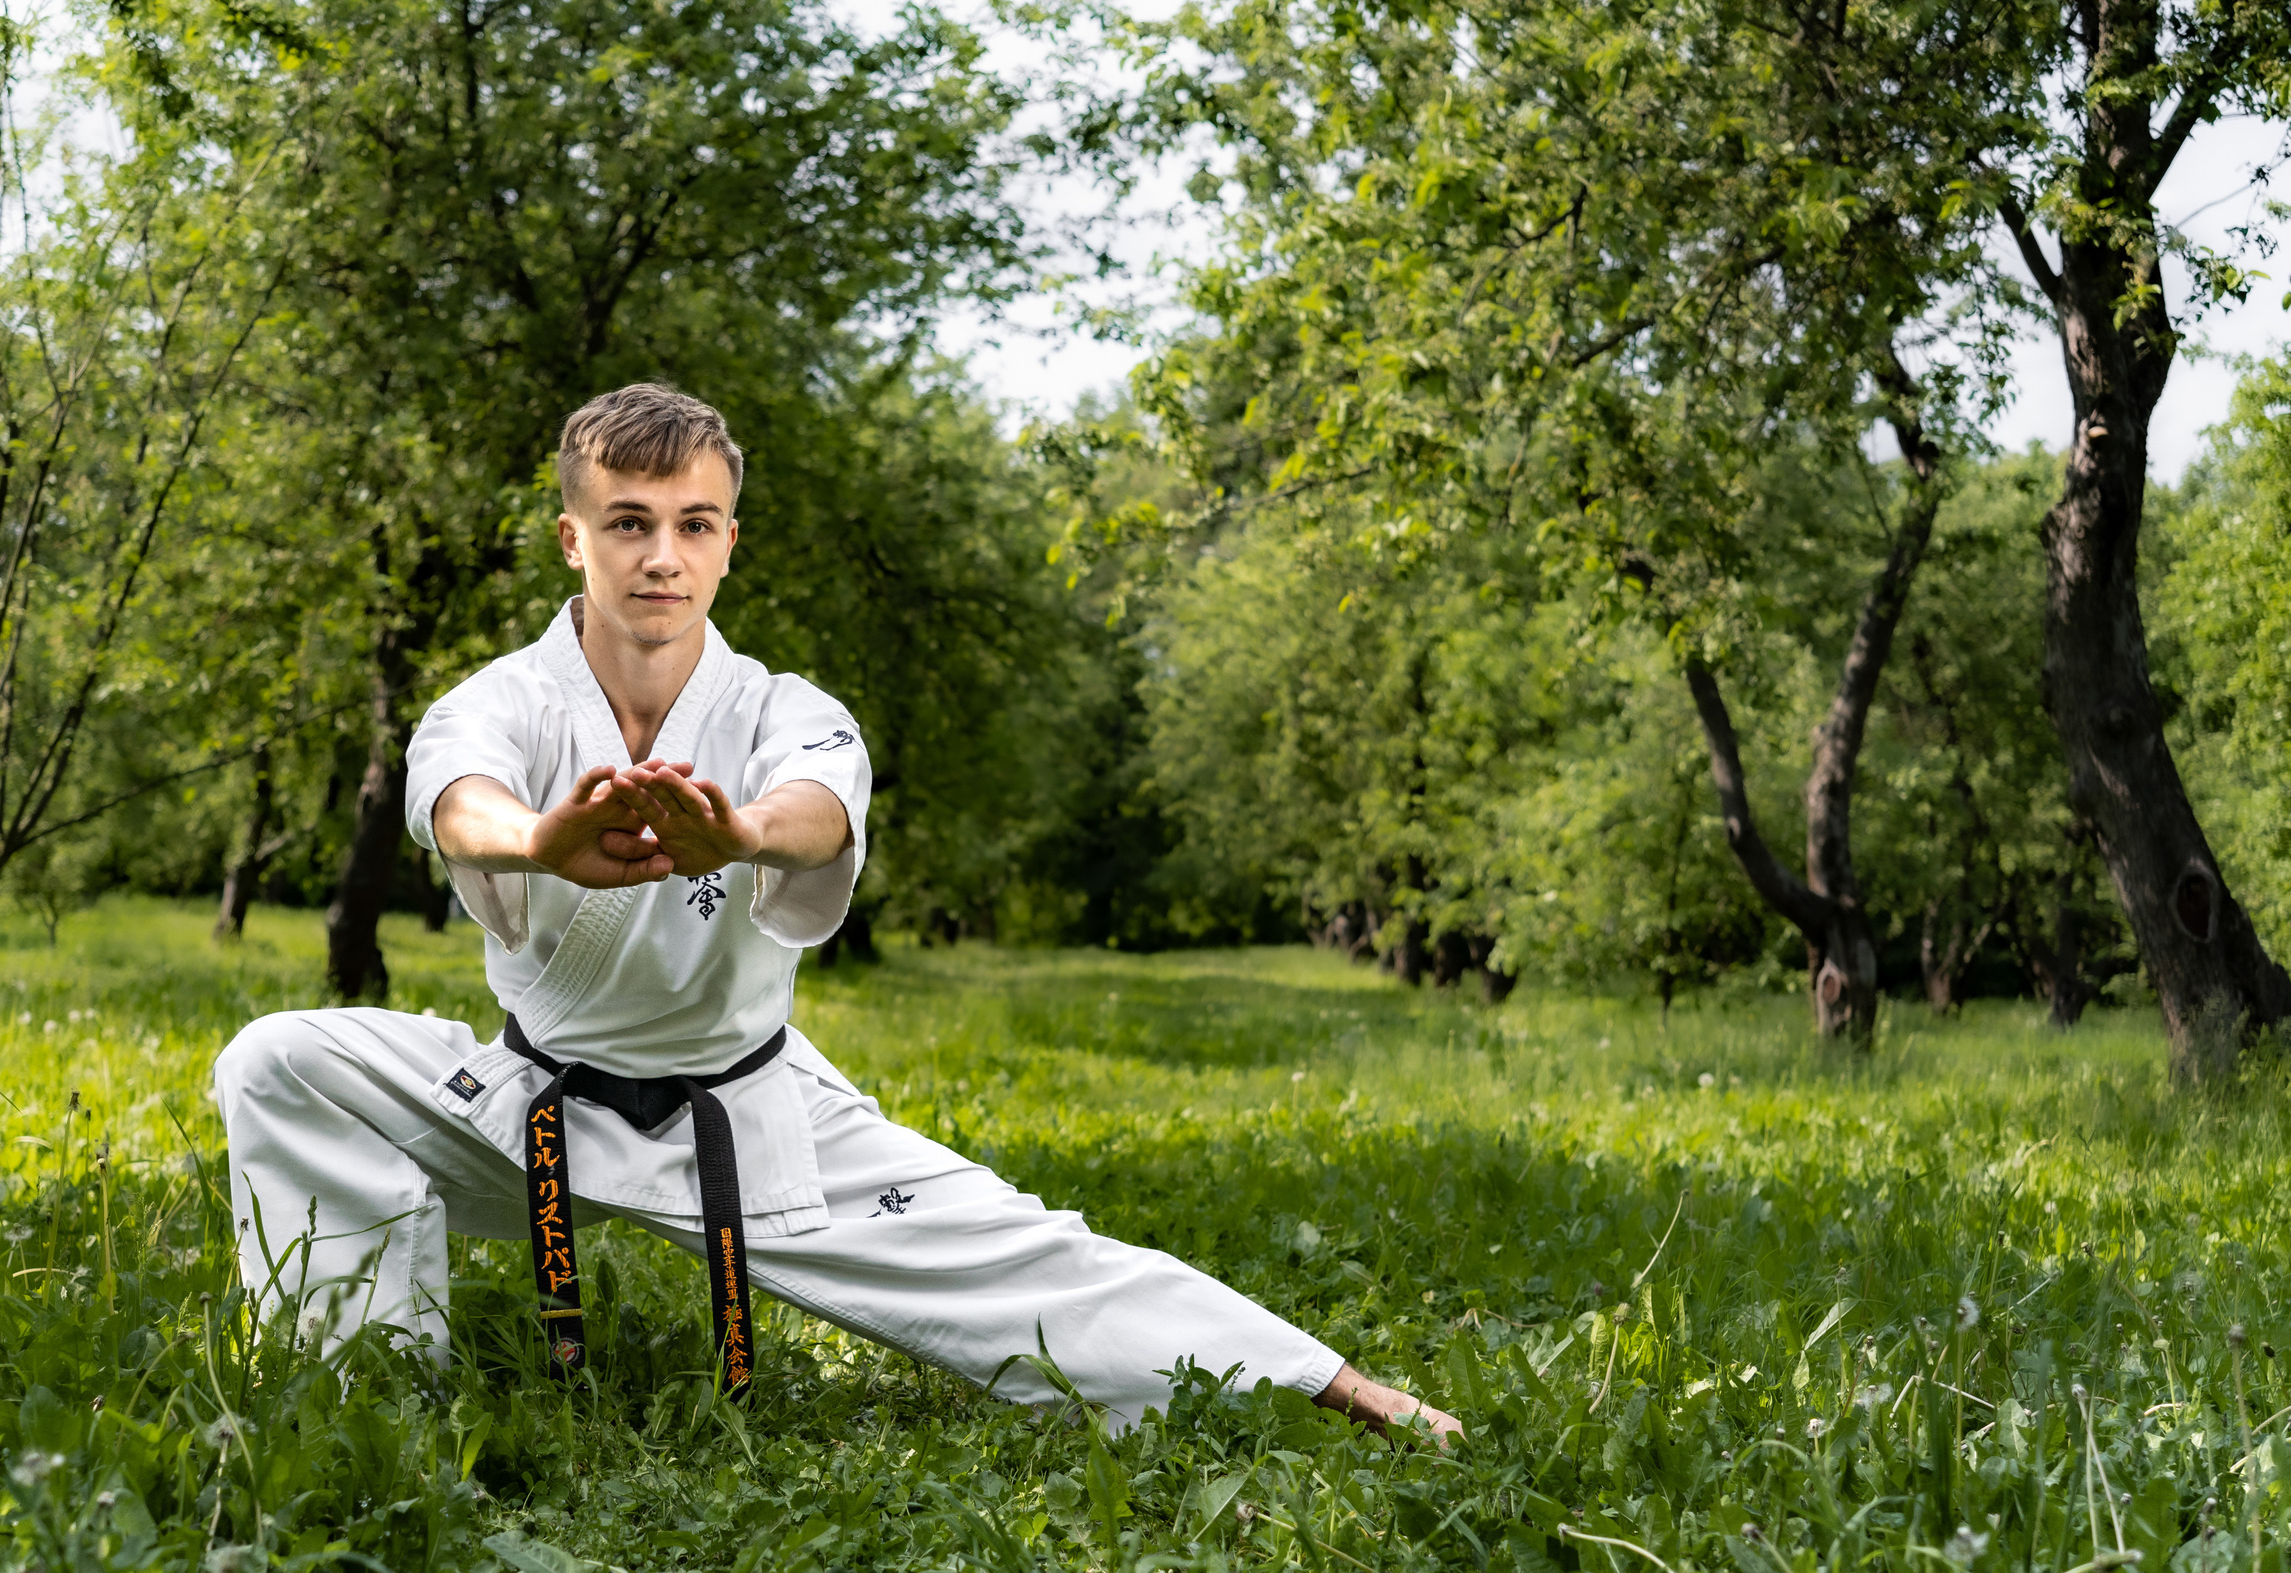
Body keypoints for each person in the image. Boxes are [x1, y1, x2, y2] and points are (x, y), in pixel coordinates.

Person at [213, 383, 1458, 1441]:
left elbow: (820, 799)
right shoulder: (506, 697)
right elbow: (456, 795)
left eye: (693, 525)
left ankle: (1336, 1388)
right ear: (570, 538)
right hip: (533, 1102)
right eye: (629, 523)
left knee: (1026, 1253)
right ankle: (365, 1397)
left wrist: (743, 830)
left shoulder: (776, 705)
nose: (661, 556)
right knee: (279, 1062)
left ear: (728, 542)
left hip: (742, 1111)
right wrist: (538, 840)